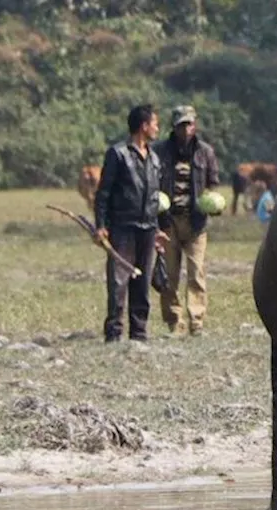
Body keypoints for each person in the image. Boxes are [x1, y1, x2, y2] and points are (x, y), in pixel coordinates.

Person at [92, 104, 170, 343]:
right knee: (119, 281)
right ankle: (114, 333)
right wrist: (101, 225)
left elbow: (155, 197)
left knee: (143, 282)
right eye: (155, 123)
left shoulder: (155, 158)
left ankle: (139, 333)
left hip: (147, 228)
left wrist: (158, 229)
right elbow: (103, 193)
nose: (157, 128)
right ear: (144, 126)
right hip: (122, 227)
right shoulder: (117, 154)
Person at [153, 105, 220, 337]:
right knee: (169, 274)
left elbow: (213, 182)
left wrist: (212, 201)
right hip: (168, 222)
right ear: (174, 126)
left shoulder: (205, 152)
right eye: (182, 125)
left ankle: (197, 322)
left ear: (195, 125)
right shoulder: (159, 151)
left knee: (196, 273)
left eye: (190, 124)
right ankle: (174, 321)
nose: (187, 129)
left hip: (195, 223)